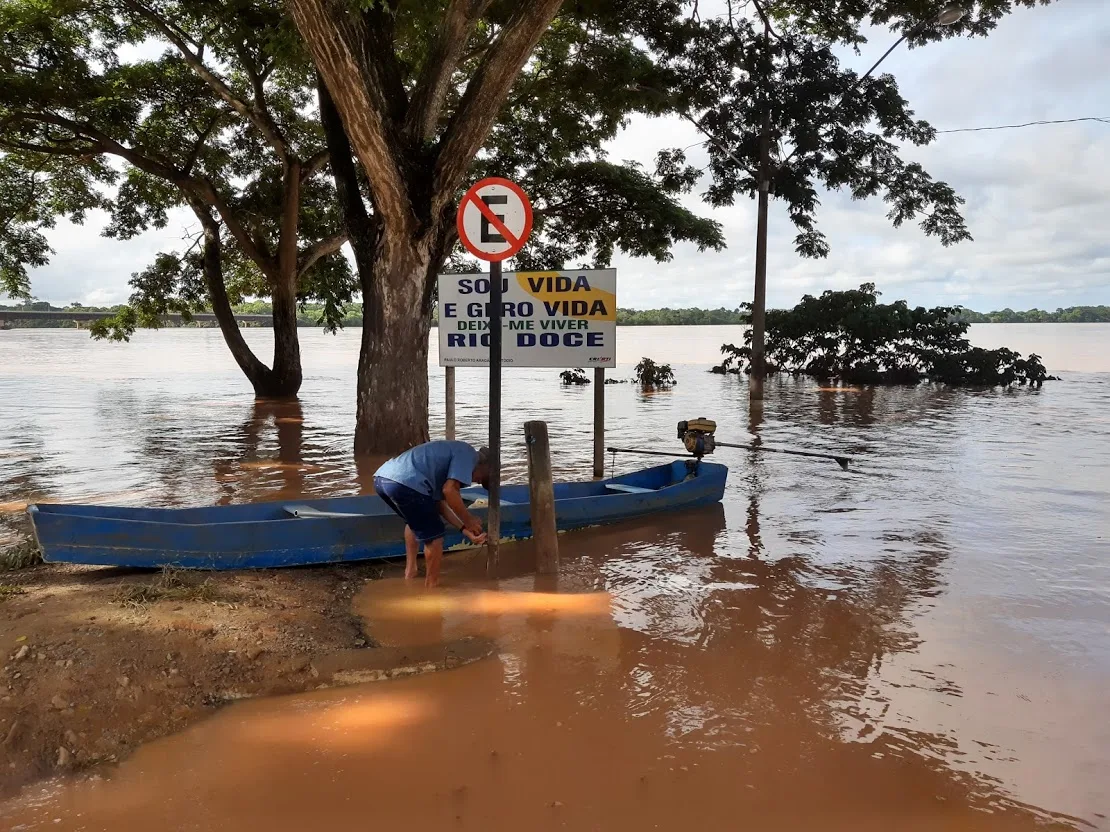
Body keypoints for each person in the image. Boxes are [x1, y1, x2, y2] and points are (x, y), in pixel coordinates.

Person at [373, 440, 491, 587]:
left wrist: (465, 531)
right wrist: (469, 520)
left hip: (383, 480)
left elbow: (439, 505)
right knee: (435, 538)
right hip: (405, 483)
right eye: (483, 478)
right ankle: (432, 587)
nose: (477, 481)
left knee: (414, 522)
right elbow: (450, 491)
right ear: (485, 465)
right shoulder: (468, 454)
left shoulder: (446, 462)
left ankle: (410, 572)